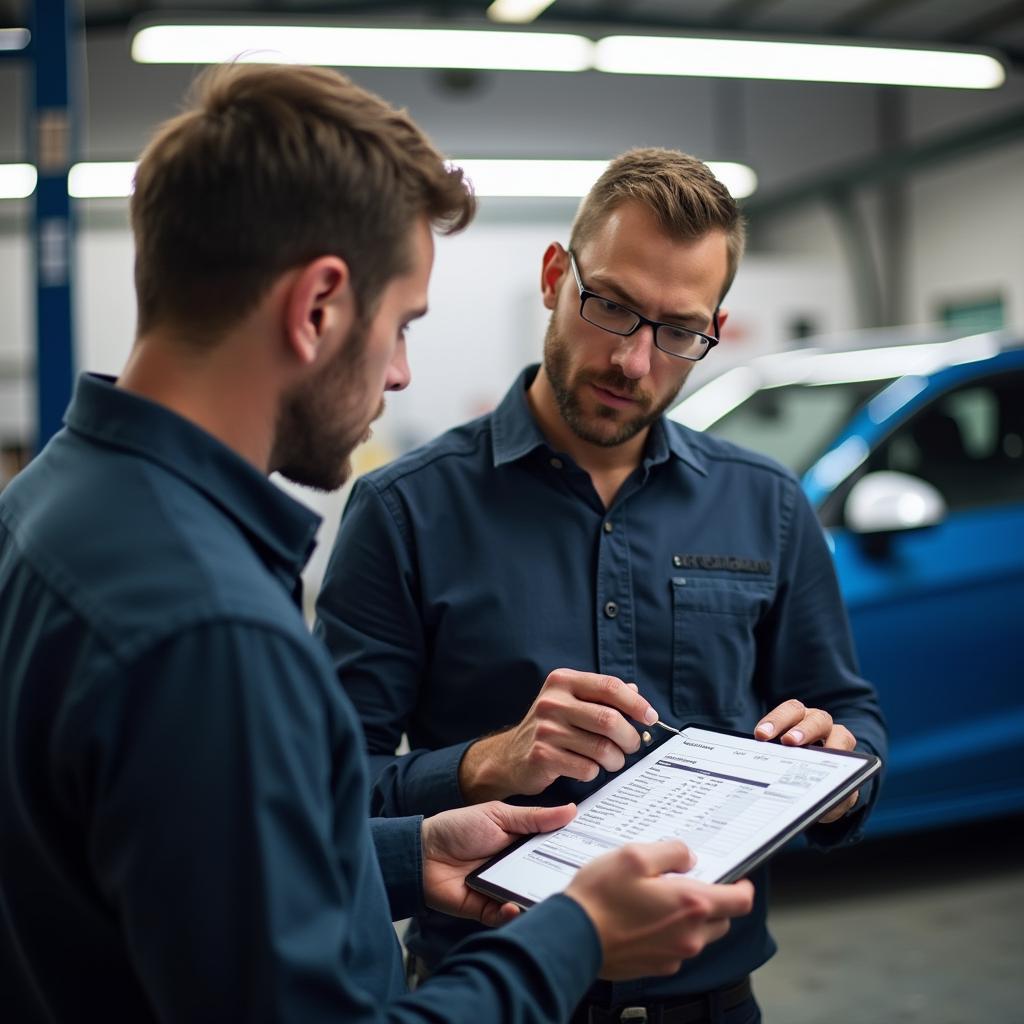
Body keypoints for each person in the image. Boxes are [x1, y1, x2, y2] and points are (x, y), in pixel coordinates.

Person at [0, 70, 756, 1024]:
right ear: (318, 306)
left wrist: (405, 855)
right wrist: (573, 937)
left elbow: (190, 876)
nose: (400, 374)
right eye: (401, 325)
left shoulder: (51, 506)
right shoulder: (211, 627)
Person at [315, 147, 888, 1023]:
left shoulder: (765, 502)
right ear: (556, 275)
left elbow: (850, 712)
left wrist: (838, 767)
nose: (633, 363)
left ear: (714, 329)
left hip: (709, 1001)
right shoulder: (404, 510)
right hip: (495, 997)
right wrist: (482, 765)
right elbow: (329, 791)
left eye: (678, 331)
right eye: (611, 307)